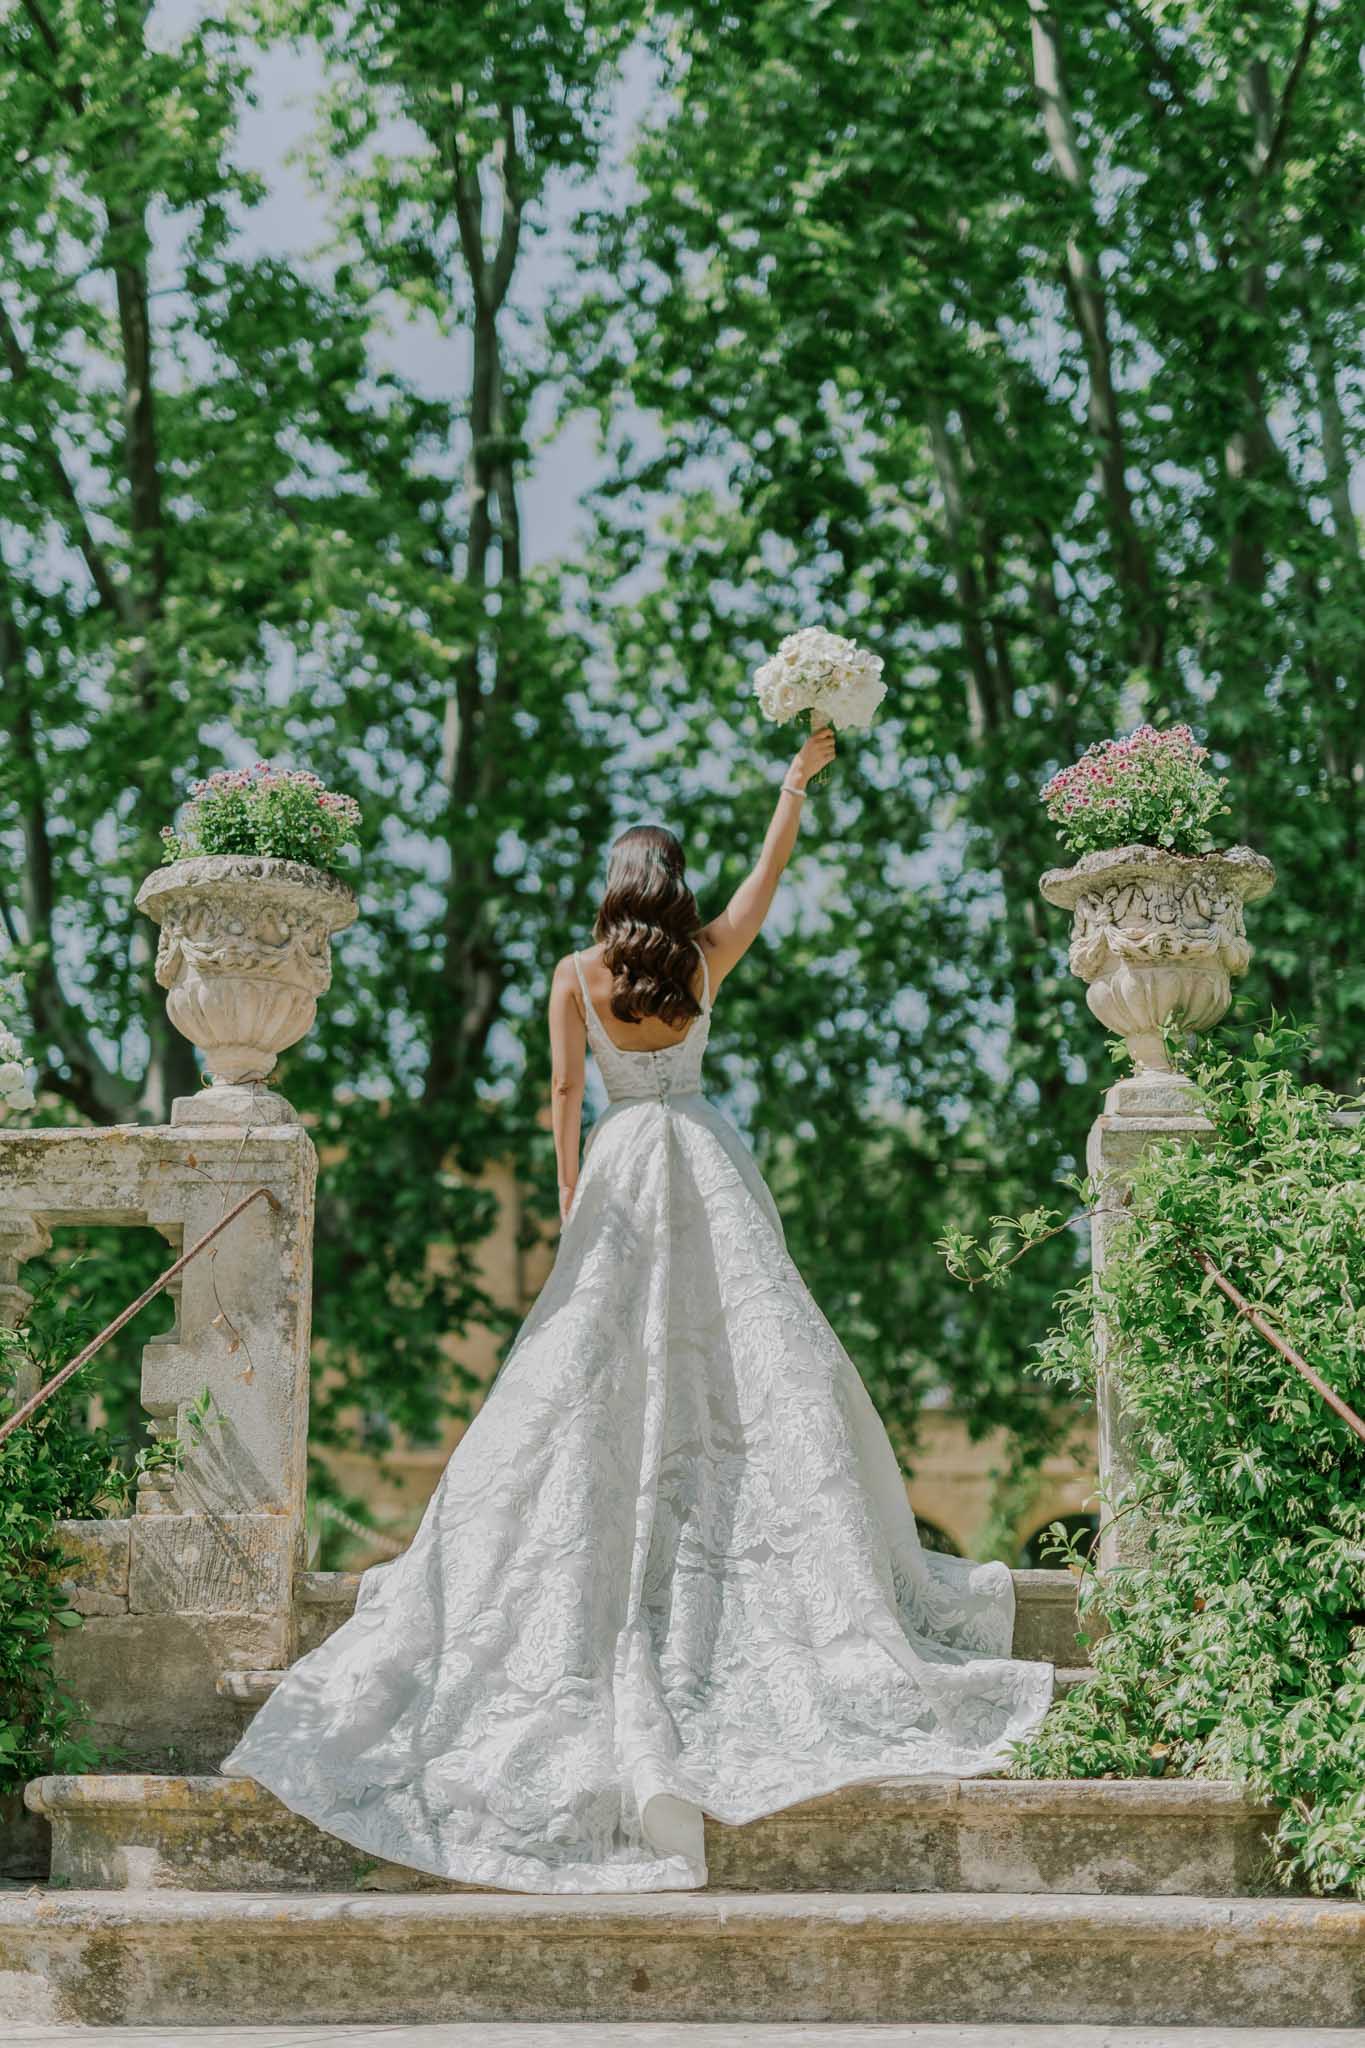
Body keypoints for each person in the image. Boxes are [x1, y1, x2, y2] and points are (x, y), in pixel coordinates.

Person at [220, 727, 1052, 1891]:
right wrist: (791, 788)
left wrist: (573, 1190)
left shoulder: (575, 975)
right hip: (705, 1160)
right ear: (675, 893)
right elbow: (769, 879)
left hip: (621, 1166)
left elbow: (564, 1088)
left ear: (613, 891)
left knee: (592, 1373)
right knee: (747, 1366)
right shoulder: (704, 960)